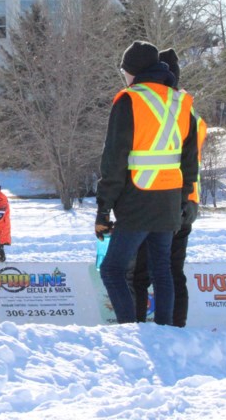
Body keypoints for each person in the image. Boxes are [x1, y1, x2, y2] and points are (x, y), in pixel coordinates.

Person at [95, 40, 197, 325]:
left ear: (134, 71)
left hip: (138, 199)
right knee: (162, 270)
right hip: (169, 199)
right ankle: (165, 331)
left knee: (112, 270)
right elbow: (190, 159)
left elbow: (114, 158)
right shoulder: (179, 101)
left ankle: (129, 329)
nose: (124, 76)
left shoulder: (130, 99)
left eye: (125, 70)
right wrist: (185, 197)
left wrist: (104, 207)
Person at [131, 49, 207, 326]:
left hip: (157, 198)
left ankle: (137, 326)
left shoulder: (166, 110)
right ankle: (176, 328)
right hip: (188, 199)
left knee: (141, 272)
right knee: (173, 270)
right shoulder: (190, 112)